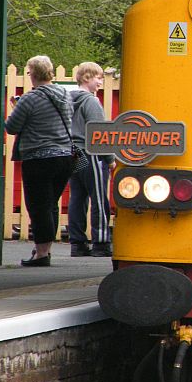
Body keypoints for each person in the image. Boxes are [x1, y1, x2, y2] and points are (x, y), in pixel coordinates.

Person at [5, 55, 73, 267]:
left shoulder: (30, 99)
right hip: (65, 157)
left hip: (39, 158)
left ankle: (42, 254)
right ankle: (45, 250)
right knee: (51, 204)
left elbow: (12, 127)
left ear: (33, 74)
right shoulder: (65, 95)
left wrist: (16, 107)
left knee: (38, 206)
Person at [68, 62, 115, 257]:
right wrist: (110, 158)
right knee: (98, 197)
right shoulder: (91, 101)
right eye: (99, 78)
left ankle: (77, 243)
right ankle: (101, 243)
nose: (100, 82)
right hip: (90, 152)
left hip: (73, 152)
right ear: (87, 77)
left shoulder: (68, 99)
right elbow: (98, 132)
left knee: (77, 197)